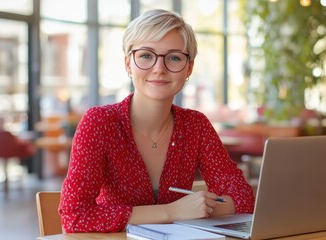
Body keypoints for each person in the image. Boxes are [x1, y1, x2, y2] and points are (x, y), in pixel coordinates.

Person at [59, 9, 255, 233]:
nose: (159, 69)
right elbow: (75, 216)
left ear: (188, 68)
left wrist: (201, 208)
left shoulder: (196, 125)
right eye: (145, 55)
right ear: (128, 64)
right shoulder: (100, 123)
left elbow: (243, 197)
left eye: (173, 57)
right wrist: (172, 212)